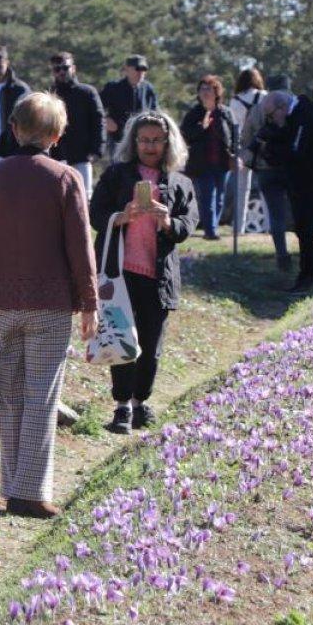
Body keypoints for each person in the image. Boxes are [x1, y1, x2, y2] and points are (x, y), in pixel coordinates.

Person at [0, 92, 98, 518]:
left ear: (13, 129)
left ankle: (14, 482)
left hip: (1, 304)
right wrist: (89, 302)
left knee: (11, 397)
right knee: (42, 396)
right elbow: (80, 247)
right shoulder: (66, 178)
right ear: (57, 135)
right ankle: (29, 493)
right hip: (51, 305)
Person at [90, 111, 197, 435]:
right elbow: (96, 215)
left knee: (151, 346)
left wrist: (167, 222)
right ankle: (121, 406)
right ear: (133, 142)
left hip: (158, 276)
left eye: (156, 140)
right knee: (123, 340)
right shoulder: (116, 175)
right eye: (144, 140)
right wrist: (121, 216)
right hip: (120, 273)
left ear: (168, 143)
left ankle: (141, 404)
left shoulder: (180, 183)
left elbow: (188, 225)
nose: (150, 146)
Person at [256, 90, 313, 293]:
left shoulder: (305, 115)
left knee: (305, 228)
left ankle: (308, 275)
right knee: (302, 228)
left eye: (271, 115)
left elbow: (295, 151)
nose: (272, 120)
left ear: (282, 107)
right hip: (302, 183)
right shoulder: (295, 115)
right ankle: (308, 272)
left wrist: (271, 148)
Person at [239, 79, 292, 271]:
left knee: (275, 215)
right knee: (298, 214)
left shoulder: (256, 109)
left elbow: (245, 139)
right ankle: (304, 255)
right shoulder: (289, 106)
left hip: (265, 169)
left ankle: (282, 255)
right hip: (289, 168)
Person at [180, 75, 236, 241]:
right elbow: (184, 135)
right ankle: (210, 231)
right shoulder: (194, 113)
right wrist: (201, 127)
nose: (204, 92)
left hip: (222, 162)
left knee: (219, 198)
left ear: (216, 92)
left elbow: (234, 135)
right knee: (207, 197)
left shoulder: (225, 113)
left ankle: (213, 227)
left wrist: (234, 154)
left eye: (208, 89)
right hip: (202, 163)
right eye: (202, 89)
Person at [48, 51, 105, 193]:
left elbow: (99, 122)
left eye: (65, 68)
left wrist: (96, 151)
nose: (62, 72)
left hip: (82, 157)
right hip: (56, 158)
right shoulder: (49, 95)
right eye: (57, 69)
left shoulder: (87, 92)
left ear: (73, 68)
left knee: (83, 198)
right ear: (53, 72)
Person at [226, 69, 266, 236]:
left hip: (243, 146)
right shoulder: (264, 96)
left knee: (242, 189)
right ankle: (270, 225)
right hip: (262, 145)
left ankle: (239, 227)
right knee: (265, 187)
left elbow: (233, 125)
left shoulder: (235, 101)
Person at [100, 55, 158, 153]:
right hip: (119, 140)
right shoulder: (113, 88)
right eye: (137, 69)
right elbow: (96, 109)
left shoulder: (148, 89)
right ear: (127, 69)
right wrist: (105, 121)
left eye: (143, 70)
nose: (140, 73)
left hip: (142, 141)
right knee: (119, 167)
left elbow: (155, 113)